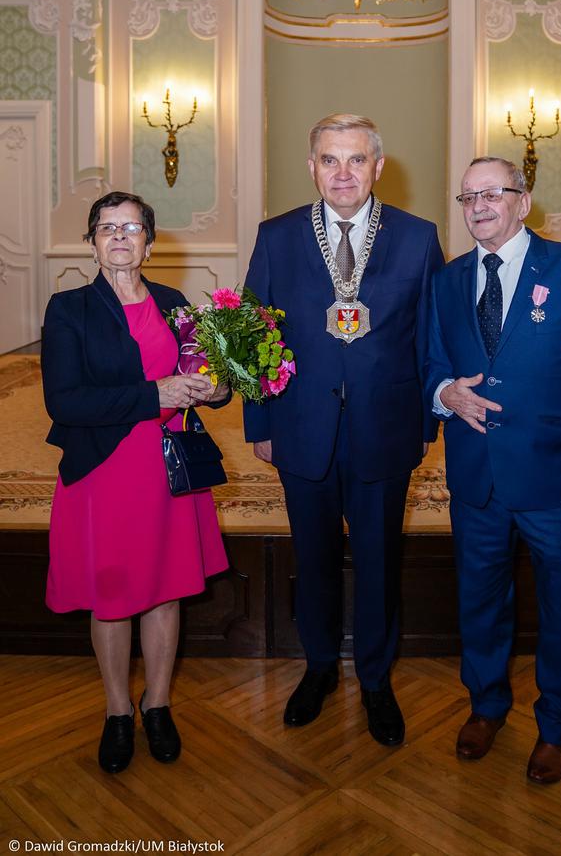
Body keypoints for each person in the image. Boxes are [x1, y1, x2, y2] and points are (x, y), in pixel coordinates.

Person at [243, 113, 444, 746]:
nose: (343, 173)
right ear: (312, 167)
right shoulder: (276, 237)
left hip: (385, 429)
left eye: (356, 160)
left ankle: (377, 680)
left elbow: (430, 338)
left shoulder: (418, 237)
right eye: (330, 160)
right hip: (300, 428)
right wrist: (259, 420)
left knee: (381, 561)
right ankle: (321, 667)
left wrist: (426, 422)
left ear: (379, 167)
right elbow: (254, 336)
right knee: (316, 557)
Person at [425, 156, 561, 783]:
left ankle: (560, 722)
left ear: (524, 200)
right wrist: (445, 394)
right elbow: (431, 362)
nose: (478, 206)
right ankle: (486, 705)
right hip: (476, 475)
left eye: (493, 193)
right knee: (479, 600)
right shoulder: (448, 280)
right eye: (467, 197)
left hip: (557, 476)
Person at [42, 191, 230, 775]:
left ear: (150, 241)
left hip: (166, 467)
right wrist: (155, 395)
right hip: (103, 471)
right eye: (107, 228)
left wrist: (215, 387)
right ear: (92, 241)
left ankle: (158, 705)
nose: (119, 237)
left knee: (165, 588)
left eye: (131, 228)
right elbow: (63, 401)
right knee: (112, 592)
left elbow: (199, 373)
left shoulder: (174, 302)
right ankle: (118, 711)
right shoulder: (69, 308)